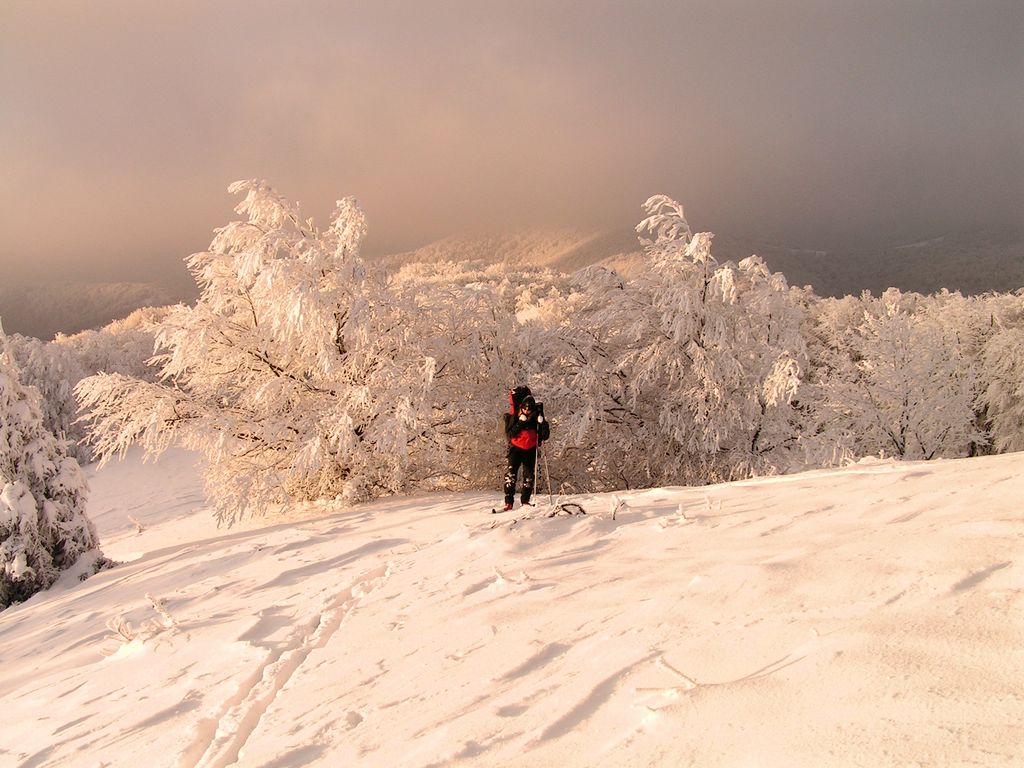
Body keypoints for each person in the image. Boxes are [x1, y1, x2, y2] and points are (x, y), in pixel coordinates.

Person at [502, 385, 550, 510]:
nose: (527, 412)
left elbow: (545, 436)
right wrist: (520, 423)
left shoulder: (536, 416)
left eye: (529, 410)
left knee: (529, 477)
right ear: (521, 407)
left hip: (530, 449)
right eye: (525, 409)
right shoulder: (513, 417)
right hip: (515, 449)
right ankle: (509, 501)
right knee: (511, 475)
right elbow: (510, 434)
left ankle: (525, 501)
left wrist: (542, 423)